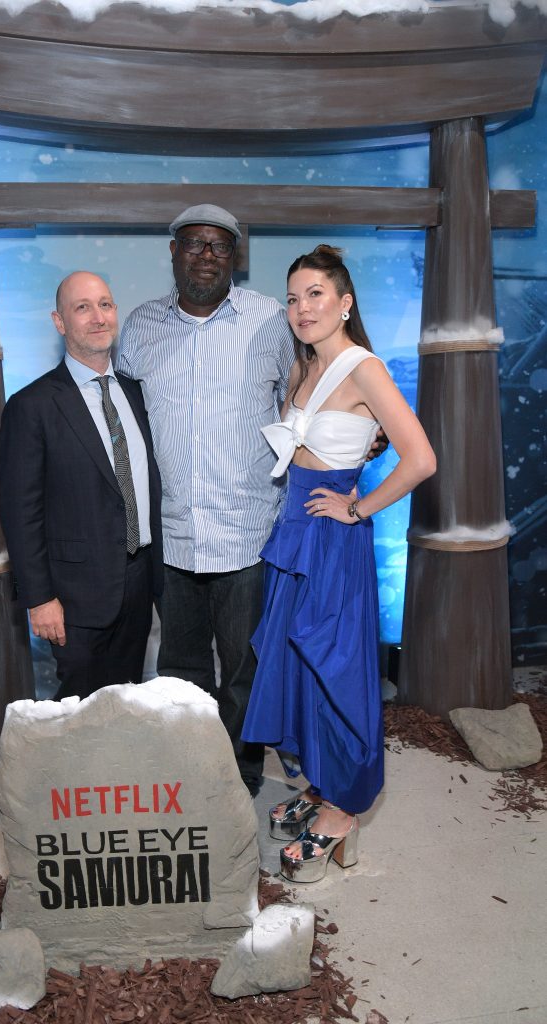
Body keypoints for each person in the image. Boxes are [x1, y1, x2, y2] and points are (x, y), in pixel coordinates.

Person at [118, 204, 386, 795]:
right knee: (179, 670)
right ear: (173, 253)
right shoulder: (139, 328)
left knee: (246, 668)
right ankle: (189, 775)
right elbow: (127, 421)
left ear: (236, 257)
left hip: (252, 534)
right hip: (173, 535)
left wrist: (362, 446)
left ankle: (239, 781)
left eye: (220, 245)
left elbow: (323, 391)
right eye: (194, 243)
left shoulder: (274, 321)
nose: (207, 254)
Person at [241, 244, 436, 882]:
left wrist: (361, 509)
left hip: (330, 538)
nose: (302, 308)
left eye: (315, 294)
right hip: (293, 531)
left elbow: (420, 458)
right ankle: (323, 783)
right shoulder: (302, 371)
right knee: (299, 667)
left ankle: (346, 807)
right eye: (293, 298)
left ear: (345, 301)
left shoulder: (363, 368)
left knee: (336, 669)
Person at [0, 271, 163, 700]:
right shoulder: (31, 406)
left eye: (105, 305)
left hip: (138, 580)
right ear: (59, 321)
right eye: (82, 307)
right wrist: (40, 598)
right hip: (72, 596)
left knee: (126, 702)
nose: (97, 317)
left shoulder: (137, 393)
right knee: (78, 712)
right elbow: (20, 511)